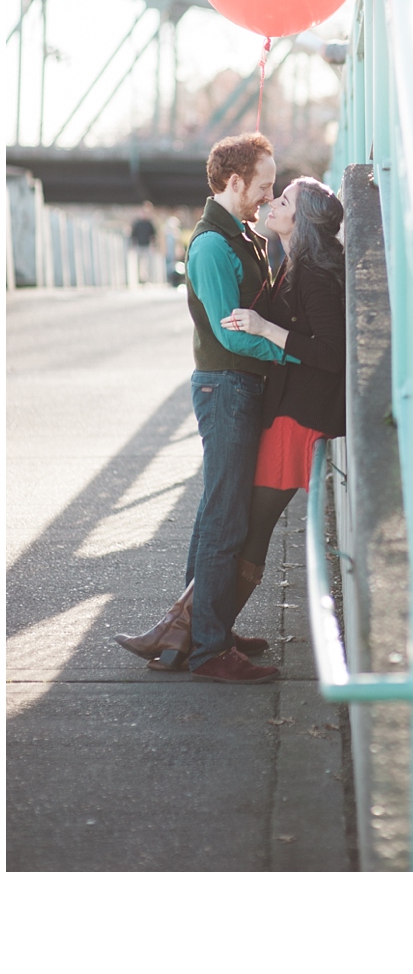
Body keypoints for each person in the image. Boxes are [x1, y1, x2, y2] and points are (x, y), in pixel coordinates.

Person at [113, 133, 292, 684]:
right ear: (233, 182)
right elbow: (231, 335)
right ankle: (210, 650)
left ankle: (197, 629)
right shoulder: (212, 245)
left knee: (220, 512)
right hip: (227, 386)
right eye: (263, 186)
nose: (269, 195)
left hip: (240, 388)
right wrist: (297, 354)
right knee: (223, 517)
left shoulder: (242, 234)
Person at [223, 176, 346, 609]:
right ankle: (190, 629)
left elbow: (332, 354)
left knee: (253, 531)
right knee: (249, 529)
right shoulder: (296, 264)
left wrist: (263, 328)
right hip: (287, 411)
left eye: (284, 199)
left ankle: (199, 633)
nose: (272, 203)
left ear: (302, 218)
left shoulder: (314, 274)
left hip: (298, 419)